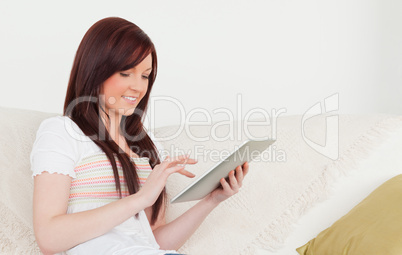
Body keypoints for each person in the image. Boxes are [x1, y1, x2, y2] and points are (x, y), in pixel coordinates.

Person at [30, 16, 249, 255]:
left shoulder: (147, 144)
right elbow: (49, 238)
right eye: (126, 73)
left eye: (145, 75)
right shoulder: (62, 132)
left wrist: (212, 200)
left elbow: (153, 241)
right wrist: (141, 198)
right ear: (94, 70)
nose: (138, 87)